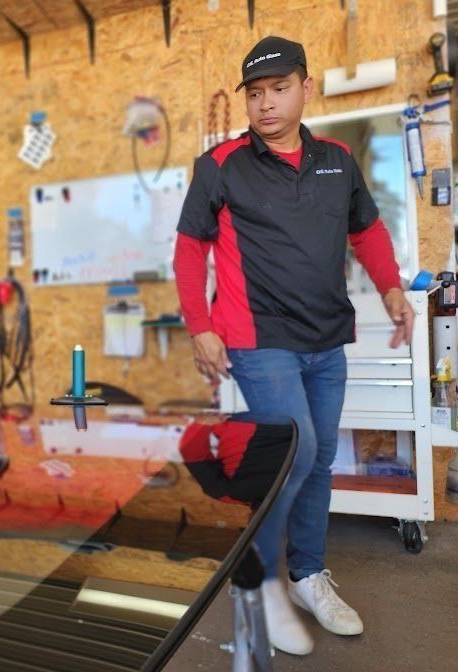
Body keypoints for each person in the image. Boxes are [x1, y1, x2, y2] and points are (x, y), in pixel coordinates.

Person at [173, 36, 414, 656]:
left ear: (306, 88)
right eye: (255, 94)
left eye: (279, 89)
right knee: (296, 452)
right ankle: (261, 583)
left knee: (321, 453)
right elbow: (189, 249)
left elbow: (368, 230)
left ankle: (307, 574)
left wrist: (390, 288)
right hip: (258, 339)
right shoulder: (221, 163)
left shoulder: (336, 160)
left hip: (325, 337)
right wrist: (200, 323)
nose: (266, 103)